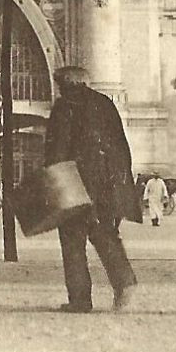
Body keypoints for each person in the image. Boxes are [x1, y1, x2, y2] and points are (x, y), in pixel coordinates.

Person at [45, 65, 137, 312]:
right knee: (105, 234)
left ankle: (80, 299)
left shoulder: (64, 107)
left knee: (72, 242)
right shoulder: (105, 104)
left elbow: (57, 150)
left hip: (74, 184)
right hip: (105, 186)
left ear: (66, 83)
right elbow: (120, 147)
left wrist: (52, 177)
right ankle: (124, 284)